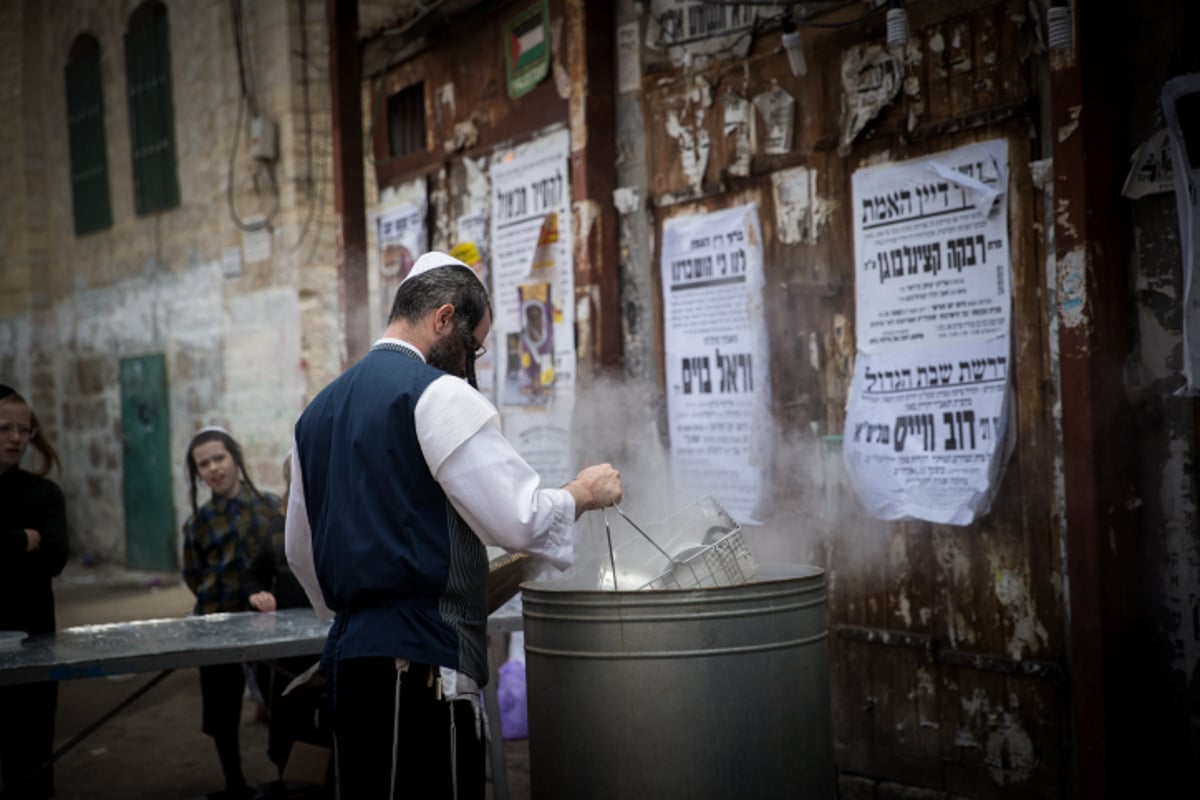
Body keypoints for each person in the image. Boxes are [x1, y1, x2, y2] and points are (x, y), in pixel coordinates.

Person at [285, 251, 622, 799]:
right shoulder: (437, 393)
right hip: (418, 666)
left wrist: (363, 611)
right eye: (473, 346)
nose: (471, 366)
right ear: (443, 318)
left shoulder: (315, 412)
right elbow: (520, 518)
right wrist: (582, 493)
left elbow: (301, 552)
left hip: (351, 660)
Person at [182, 426, 282, 798]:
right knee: (222, 713)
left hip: (271, 626)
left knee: (284, 702)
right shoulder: (198, 524)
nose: (213, 468)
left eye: (219, 458)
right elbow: (193, 576)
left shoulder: (271, 509)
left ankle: (291, 778)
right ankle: (234, 783)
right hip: (217, 627)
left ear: (236, 459)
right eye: (203, 464)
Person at [0, 385, 68, 799]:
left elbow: (55, 558)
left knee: (32, 761)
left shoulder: (44, 495)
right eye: (4, 428)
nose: (16, 438)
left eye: (24, 429)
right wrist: (18, 542)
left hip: (35, 640)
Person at [244, 454, 328, 780]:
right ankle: (294, 780)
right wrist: (257, 595)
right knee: (290, 722)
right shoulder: (277, 528)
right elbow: (254, 575)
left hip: (330, 639)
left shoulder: (337, 522)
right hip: (288, 650)